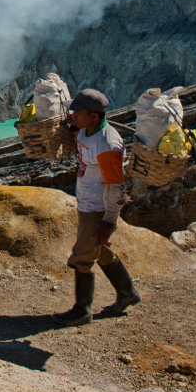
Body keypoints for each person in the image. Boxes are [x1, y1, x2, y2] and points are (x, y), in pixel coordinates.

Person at [52, 89, 141, 326]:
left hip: (98, 207)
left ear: (94, 115)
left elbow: (115, 185)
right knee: (101, 251)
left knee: (82, 257)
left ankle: (82, 310)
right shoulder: (86, 129)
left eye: (77, 112)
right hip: (87, 201)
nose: (73, 115)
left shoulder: (108, 144)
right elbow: (78, 136)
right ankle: (127, 293)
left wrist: (109, 220)